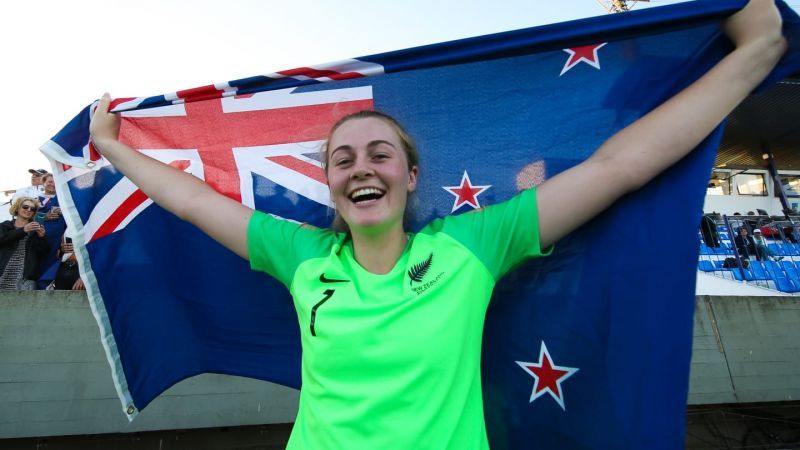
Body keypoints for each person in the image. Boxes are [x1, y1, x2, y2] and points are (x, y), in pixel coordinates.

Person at [88, 1, 785, 448]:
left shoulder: (470, 245)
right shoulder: (298, 253)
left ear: (411, 176)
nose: (362, 168)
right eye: (343, 159)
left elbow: (617, 166)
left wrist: (754, 55)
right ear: (328, 182)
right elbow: (191, 203)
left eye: (379, 154)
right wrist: (116, 148)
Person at [0, 197, 49, 290]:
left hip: (25, 277)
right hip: (3, 272)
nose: (28, 210)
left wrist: (42, 237)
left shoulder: (36, 228)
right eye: (25, 207)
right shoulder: (4, 226)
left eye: (32, 209)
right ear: (17, 208)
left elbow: (43, 253)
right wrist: (23, 230)